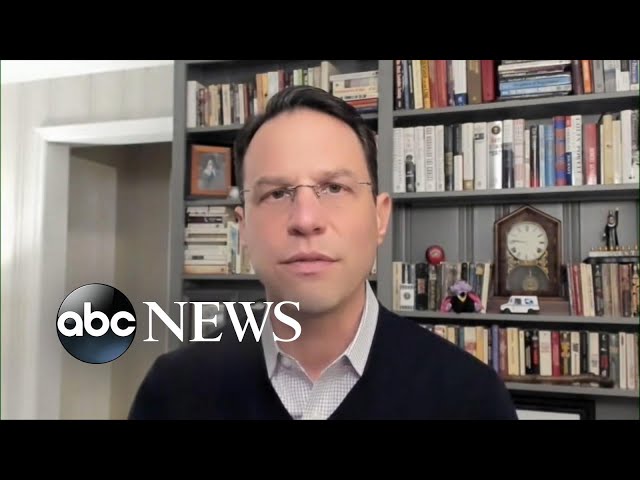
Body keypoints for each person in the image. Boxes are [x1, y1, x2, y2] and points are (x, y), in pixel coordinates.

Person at [128, 85, 518, 420]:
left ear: (379, 217)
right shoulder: (172, 390)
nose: (306, 219)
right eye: (277, 193)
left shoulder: (472, 398)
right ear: (243, 228)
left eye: (334, 188)